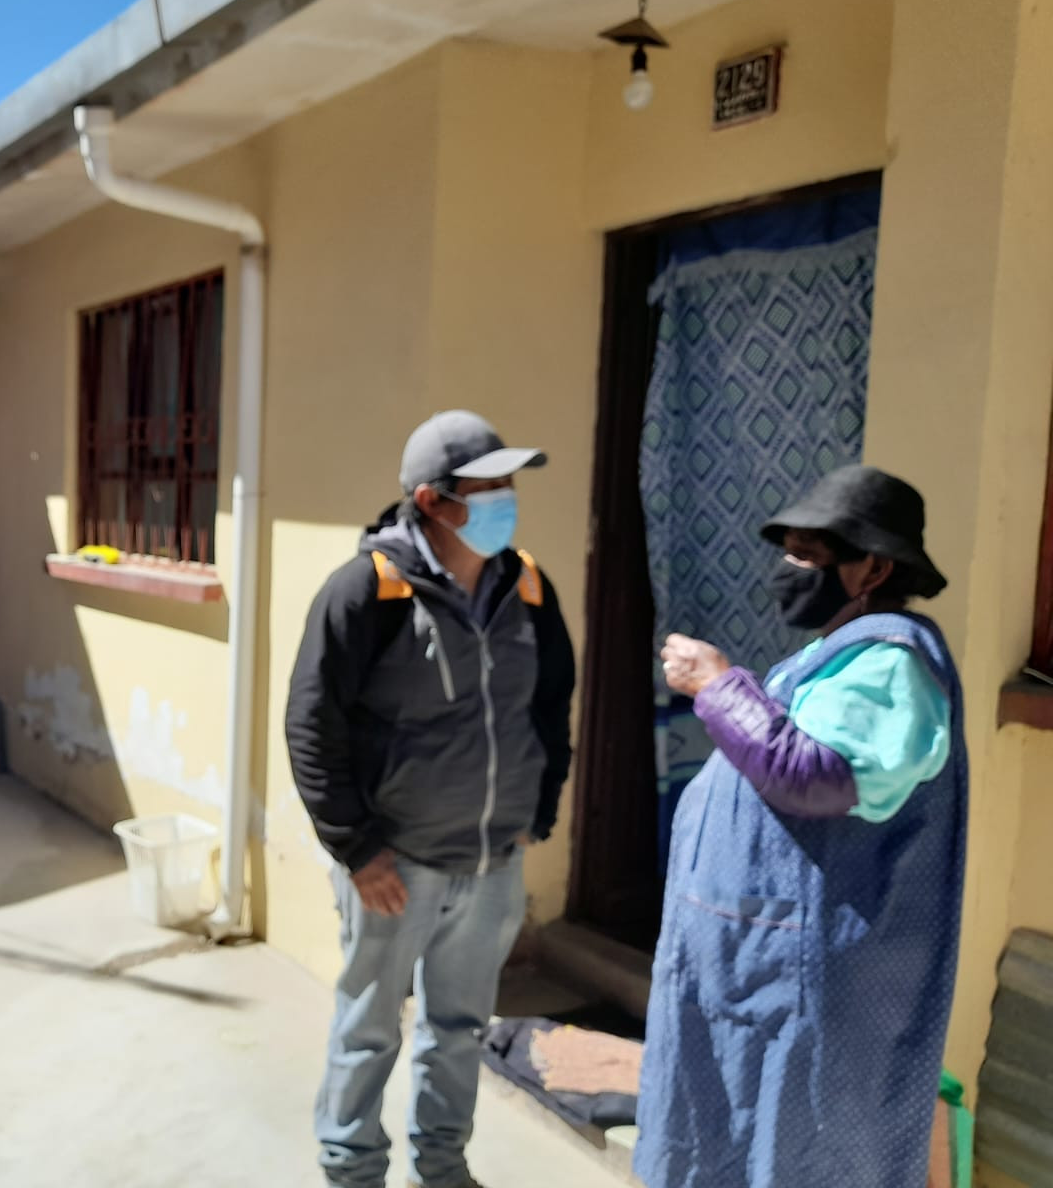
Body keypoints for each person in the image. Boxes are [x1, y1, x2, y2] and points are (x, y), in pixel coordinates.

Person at [634, 465, 967, 1188]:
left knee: (794, 1154)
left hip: (806, 986)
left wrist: (718, 685)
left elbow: (812, 777)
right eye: (788, 552)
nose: (788, 571)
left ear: (872, 567)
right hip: (754, 966)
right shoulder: (839, 653)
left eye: (809, 556)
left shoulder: (894, 664)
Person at [286, 410, 576, 1188]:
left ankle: (443, 1169)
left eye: (509, 485)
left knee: (458, 1028)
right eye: (488, 489)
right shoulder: (368, 591)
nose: (506, 500)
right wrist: (356, 849)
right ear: (432, 501)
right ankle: (352, 1170)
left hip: (491, 861)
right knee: (370, 1027)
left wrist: (535, 814)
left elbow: (551, 705)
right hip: (396, 865)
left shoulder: (530, 587)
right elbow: (312, 724)